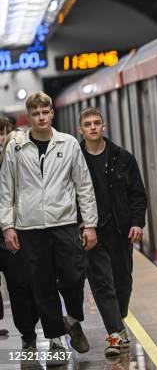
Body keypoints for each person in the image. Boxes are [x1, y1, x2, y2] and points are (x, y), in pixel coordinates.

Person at [0, 92, 98, 357]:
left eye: (46, 112)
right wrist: (8, 227)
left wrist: (89, 224)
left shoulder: (68, 144)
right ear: (29, 117)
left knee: (74, 276)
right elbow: (6, 189)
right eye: (36, 114)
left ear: (52, 113)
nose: (41, 117)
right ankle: (55, 336)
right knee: (41, 284)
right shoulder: (16, 147)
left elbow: (84, 186)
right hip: (30, 227)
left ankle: (73, 320)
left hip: (64, 223)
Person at [78, 107, 146, 355]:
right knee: (102, 284)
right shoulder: (75, 159)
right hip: (92, 231)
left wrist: (137, 222)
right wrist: (82, 226)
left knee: (122, 282)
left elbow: (138, 194)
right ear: (81, 129)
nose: (93, 127)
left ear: (103, 126)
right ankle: (114, 335)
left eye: (97, 123)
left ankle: (118, 321)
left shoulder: (123, 158)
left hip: (120, 231)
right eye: (88, 124)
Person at [0, 121, 39, 349]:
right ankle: (27, 333)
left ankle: (29, 331)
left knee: (27, 286)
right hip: (7, 236)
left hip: (23, 233)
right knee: (19, 287)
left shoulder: (25, 167)